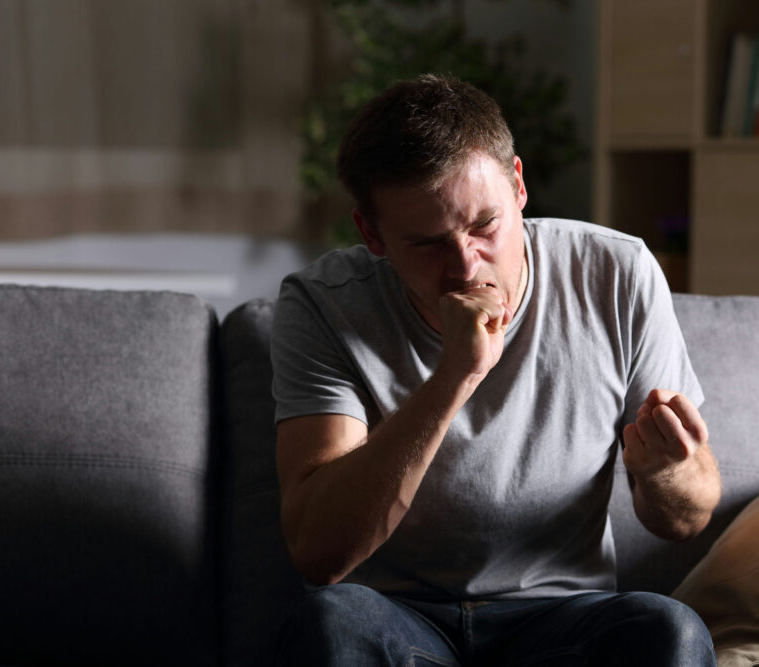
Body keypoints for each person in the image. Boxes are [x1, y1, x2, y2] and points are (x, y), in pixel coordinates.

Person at [272, 74, 721, 665]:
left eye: (485, 226)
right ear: (372, 234)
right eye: (429, 243)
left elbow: (687, 518)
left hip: (562, 617)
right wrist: (454, 378)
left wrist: (666, 471)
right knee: (329, 622)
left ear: (518, 186)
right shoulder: (322, 304)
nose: (465, 267)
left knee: (671, 629)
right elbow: (318, 554)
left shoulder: (617, 273)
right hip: (397, 618)